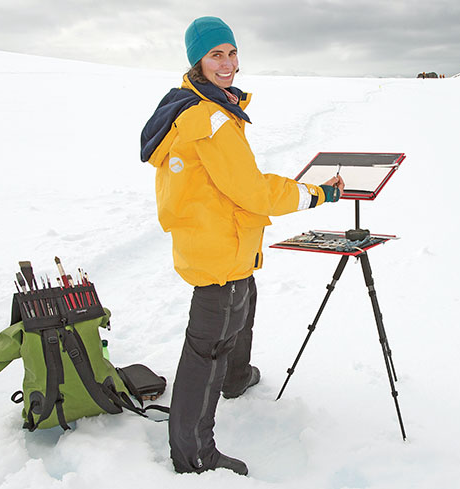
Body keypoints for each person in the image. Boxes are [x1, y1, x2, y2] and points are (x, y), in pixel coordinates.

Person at [139, 16, 344, 476]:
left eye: (232, 53)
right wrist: (315, 193)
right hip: (218, 247)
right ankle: (193, 452)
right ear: (198, 60)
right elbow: (251, 190)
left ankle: (235, 378)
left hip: (214, 238)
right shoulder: (209, 120)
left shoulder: (198, 105)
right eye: (216, 54)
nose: (228, 63)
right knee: (207, 347)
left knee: (243, 307)